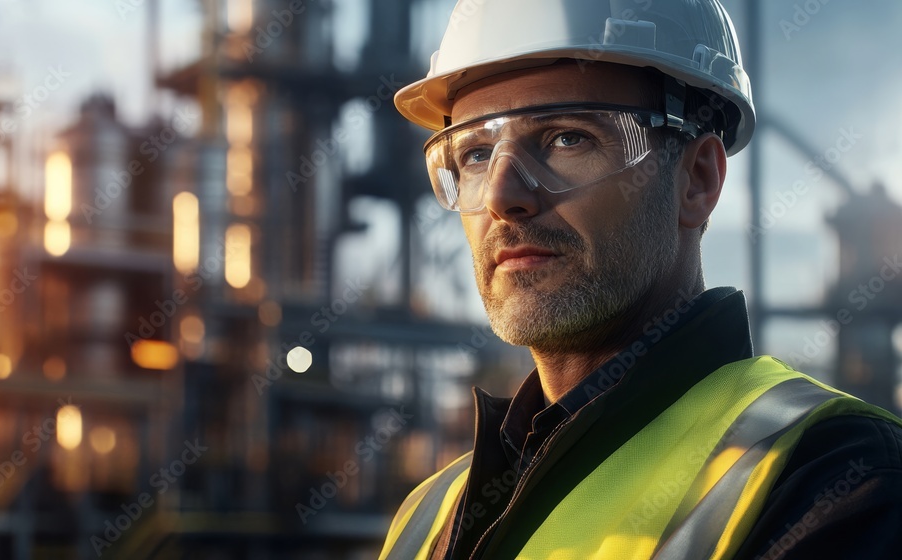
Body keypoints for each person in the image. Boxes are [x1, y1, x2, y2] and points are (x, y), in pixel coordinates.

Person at [379, 1, 902, 558]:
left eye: (567, 138)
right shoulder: (430, 511)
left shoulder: (828, 473)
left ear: (696, 180)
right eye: (477, 153)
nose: (504, 197)